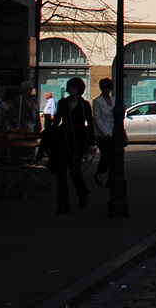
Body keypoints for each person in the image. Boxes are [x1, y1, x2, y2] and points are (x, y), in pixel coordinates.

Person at [45, 77, 93, 214]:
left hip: (78, 140)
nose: (71, 90)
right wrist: (52, 131)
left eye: (74, 87)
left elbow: (89, 123)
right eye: (70, 87)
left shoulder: (84, 105)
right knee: (61, 172)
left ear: (80, 89)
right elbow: (58, 119)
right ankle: (63, 204)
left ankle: (82, 191)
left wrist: (91, 143)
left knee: (74, 169)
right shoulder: (63, 103)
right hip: (65, 139)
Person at [91, 78, 116, 186]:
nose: (106, 90)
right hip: (103, 134)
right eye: (104, 87)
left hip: (114, 131)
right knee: (107, 155)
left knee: (114, 156)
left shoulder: (114, 100)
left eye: (108, 87)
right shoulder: (97, 101)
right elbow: (97, 118)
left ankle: (111, 178)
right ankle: (99, 173)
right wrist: (105, 133)